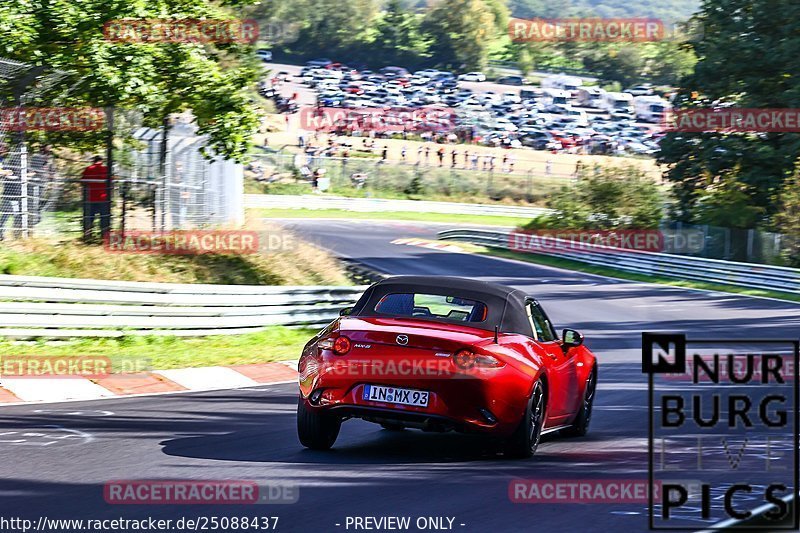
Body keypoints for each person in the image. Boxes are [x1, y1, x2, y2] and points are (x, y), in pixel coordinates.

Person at [81, 155, 111, 242]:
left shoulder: (88, 169)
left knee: (89, 217)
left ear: (93, 161)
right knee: (104, 218)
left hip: (90, 198)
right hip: (103, 198)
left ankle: (88, 236)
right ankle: (104, 237)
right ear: (102, 161)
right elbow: (111, 182)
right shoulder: (106, 170)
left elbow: (83, 181)